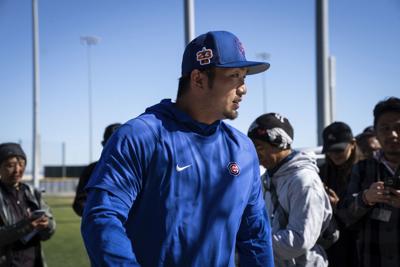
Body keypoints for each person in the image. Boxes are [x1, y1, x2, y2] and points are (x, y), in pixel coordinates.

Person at [81, 31, 274, 266]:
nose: (243, 89)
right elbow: (102, 218)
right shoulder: (141, 136)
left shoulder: (243, 149)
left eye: (244, 77)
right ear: (199, 79)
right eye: (234, 76)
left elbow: (255, 236)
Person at [247, 112, 333, 267]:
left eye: (259, 147)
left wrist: (251, 244)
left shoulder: (304, 181)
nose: (254, 154)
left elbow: (299, 240)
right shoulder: (266, 178)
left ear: (279, 142)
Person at [343, 96, 400, 267]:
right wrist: (365, 198)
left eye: (398, 127)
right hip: (374, 260)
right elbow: (344, 215)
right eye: (385, 128)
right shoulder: (361, 169)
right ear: (375, 132)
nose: (392, 134)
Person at [0, 143, 55, 267]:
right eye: (10, 165)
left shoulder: (33, 193)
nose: (17, 170)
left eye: (21, 164)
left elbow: (50, 228)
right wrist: (26, 226)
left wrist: (46, 226)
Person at [319, 121, 362, 267]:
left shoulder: (365, 170)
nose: (334, 155)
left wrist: (338, 205)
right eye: (330, 151)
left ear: (353, 144)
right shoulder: (322, 172)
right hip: (331, 246)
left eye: (339, 150)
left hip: (359, 246)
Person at [72, 123, 121, 216]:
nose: (117, 146)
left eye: (120, 142)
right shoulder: (91, 170)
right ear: (103, 144)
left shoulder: (140, 168)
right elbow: (79, 203)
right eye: (112, 142)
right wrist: (100, 216)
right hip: (101, 227)